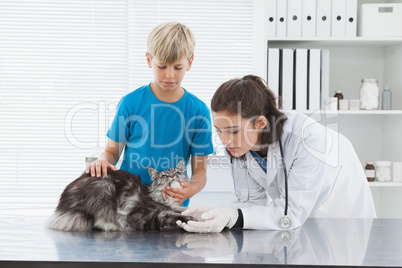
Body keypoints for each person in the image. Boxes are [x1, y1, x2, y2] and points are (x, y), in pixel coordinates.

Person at [177, 74, 376, 231]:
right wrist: (214, 213)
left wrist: (231, 216)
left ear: (261, 123)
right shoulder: (241, 147)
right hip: (295, 223)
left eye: (233, 131)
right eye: (219, 131)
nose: (224, 141)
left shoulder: (307, 138)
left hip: (341, 220)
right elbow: (251, 202)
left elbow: (292, 213)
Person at [85, 21, 214, 206]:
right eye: (162, 66)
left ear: (190, 63)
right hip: (128, 202)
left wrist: (191, 189)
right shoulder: (130, 103)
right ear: (148, 60)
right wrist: (102, 160)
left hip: (171, 205)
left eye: (177, 68)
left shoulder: (199, 111)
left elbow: (200, 173)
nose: (169, 75)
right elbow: (111, 151)